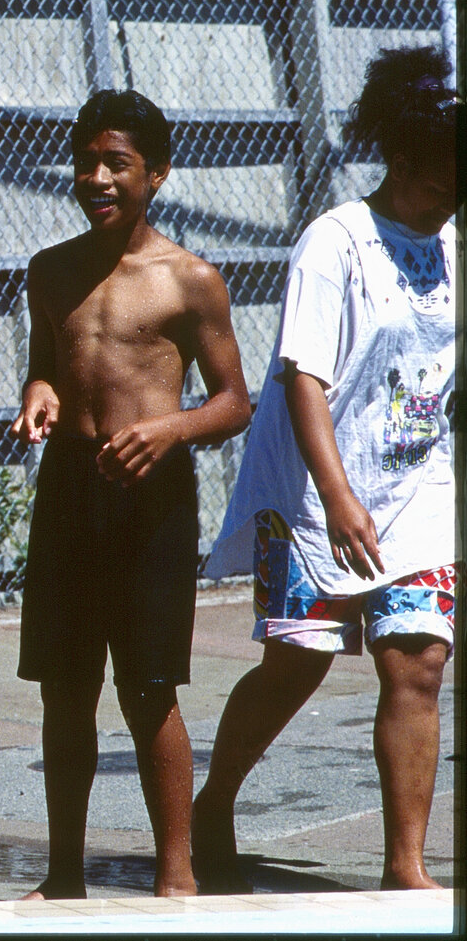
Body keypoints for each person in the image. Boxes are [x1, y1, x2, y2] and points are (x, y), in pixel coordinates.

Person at [192, 46, 458, 894]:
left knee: (416, 659)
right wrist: (338, 497)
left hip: (414, 487)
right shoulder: (334, 241)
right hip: (314, 490)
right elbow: (300, 375)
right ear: (408, 156)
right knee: (296, 662)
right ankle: (213, 801)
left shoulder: (455, 246)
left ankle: (404, 865)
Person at [9, 89, 251, 898]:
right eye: (86, 161)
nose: (97, 177)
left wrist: (169, 430)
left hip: (150, 497)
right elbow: (48, 359)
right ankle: (62, 874)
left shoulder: (189, 280)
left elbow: (232, 401)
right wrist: (39, 390)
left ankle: (175, 873)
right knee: (65, 688)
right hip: (70, 488)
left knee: (149, 688)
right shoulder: (50, 270)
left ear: (156, 174)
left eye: (116, 163)